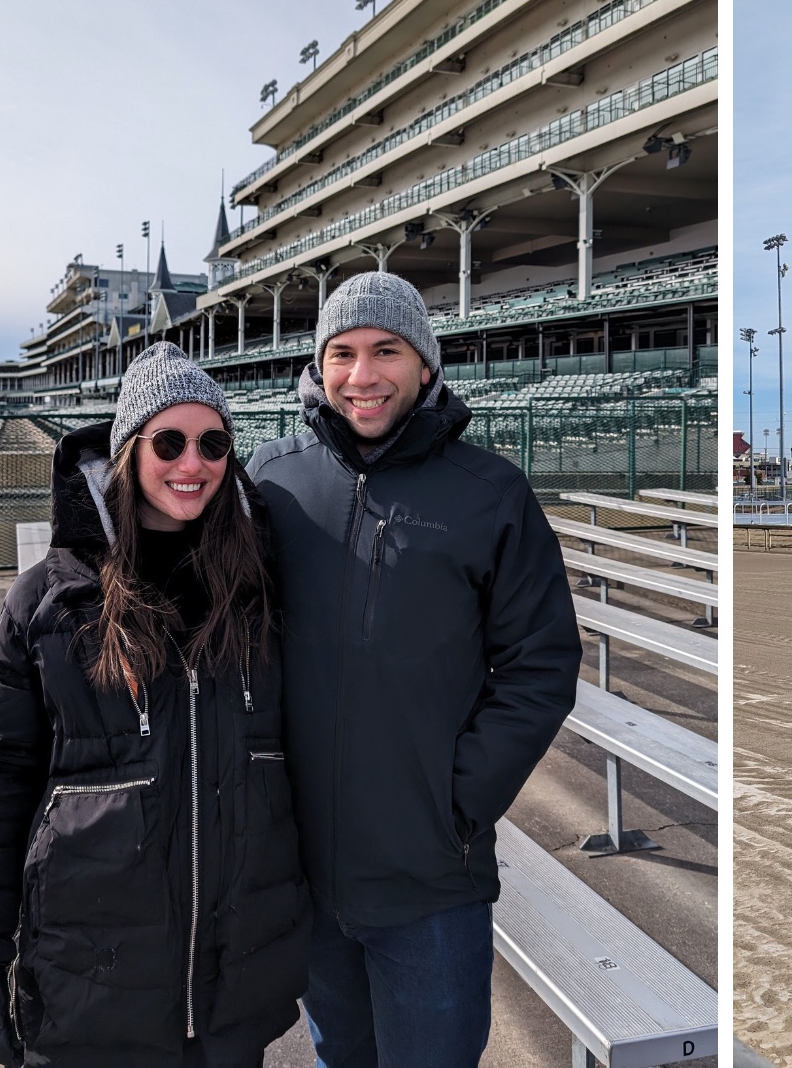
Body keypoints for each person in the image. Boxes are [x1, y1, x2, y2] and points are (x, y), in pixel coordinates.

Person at [247, 272, 580, 1067]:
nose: (362, 376)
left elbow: (541, 662)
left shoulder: (489, 492)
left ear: (425, 365)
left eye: (386, 351)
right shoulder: (271, 480)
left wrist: (458, 801)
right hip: (304, 872)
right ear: (318, 366)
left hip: (430, 877)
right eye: (343, 353)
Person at [0, 343, 311, 1067]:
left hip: (231, 984)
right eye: (169, 441)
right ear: (127, 451)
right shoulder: (50, 600)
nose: (193, 462)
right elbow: (1, 779)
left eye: (213, 443)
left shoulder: (261, 588)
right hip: (93, 981)